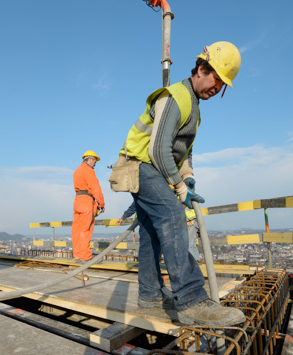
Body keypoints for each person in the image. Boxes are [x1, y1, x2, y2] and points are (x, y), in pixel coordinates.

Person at [116, 42, 245, 326]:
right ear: (201, 68)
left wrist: (186, 174)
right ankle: (191, 300)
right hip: (141, 166)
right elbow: (158, 150)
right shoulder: (176, 96)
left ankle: (149, 294)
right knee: (174, 216)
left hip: (150, 168)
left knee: (151, 230)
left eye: (223, 84)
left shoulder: (194, 106)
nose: (217, 88)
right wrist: (179, 187)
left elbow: (182, 151)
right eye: (217, 79)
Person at [72, 150, 105, 261]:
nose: (95, 164)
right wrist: (101, 204)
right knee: (86, 230)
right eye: (95, 161)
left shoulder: (77, 171)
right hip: (87, 202)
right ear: (90, 159)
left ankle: (77, 255)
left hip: (77, 201)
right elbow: (95, 188)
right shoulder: (88, 170)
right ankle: (85, 256)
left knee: (77, 230)